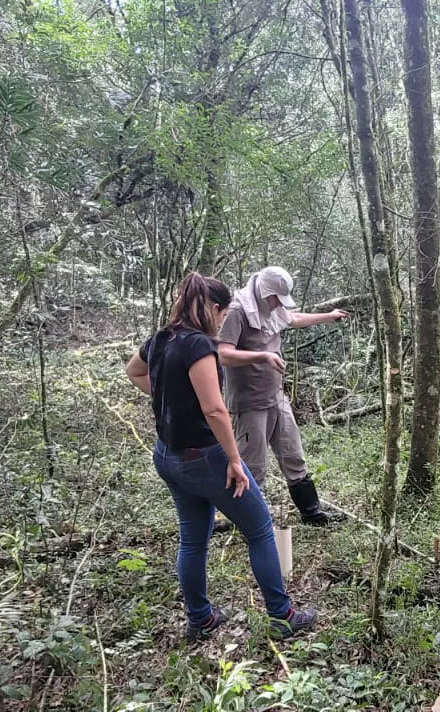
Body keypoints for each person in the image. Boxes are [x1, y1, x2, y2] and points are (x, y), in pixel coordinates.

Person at [125, 272, 317, 642]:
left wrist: (169, 396)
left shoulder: (162, 339)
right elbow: (215, 410)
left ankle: (200, 619)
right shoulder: (200, 346)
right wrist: (233, 459)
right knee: (260, 529)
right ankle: (282, 616)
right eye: (222, 312)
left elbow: (133, 371)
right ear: (213, 308)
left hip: (168, 456)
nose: (222, 319)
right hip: (205, 458)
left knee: (193, 538)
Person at [217, 266, 347, 526]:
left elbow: (294, 319)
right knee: (253, 467)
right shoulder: (237, 311)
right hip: (249, 402)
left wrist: (329, 316)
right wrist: (262, 356)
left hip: (276, 396)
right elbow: (223, 353)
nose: (278, 304)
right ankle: (247, 521)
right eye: (275, 298)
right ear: (264, 293)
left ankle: (312, 513)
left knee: (293, 453)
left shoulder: (272, 308)